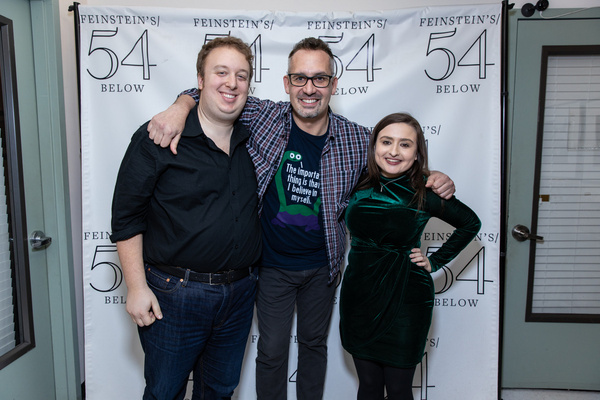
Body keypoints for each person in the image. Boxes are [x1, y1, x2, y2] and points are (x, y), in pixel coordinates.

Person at [147, 38, 455, 400]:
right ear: (286, 83)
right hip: (271, 266)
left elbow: (395, 161)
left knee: (314, 347)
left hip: (322, 268)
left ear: (333, 85)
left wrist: (434, 177)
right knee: (272, 351)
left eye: (320, 79)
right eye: (300, 78)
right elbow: (209, 92)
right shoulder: (261, 117)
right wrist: (179, 106)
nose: (309, 88)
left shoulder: (357, 139)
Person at [110, 37, 260, 400]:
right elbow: (126, 216)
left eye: (241, 75)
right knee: (165, 392)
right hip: (175, 295)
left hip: (240, 294)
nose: (232, 83)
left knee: (220, 391)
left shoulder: (254, 137)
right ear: (200, 80)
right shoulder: (159, 136)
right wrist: (136, 287)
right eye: (221, 72)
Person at [339, 113, 481, 400]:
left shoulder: (425, 190)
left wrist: (436, 261)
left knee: (399, 389)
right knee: (367, 386)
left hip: (406, 299)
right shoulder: (359, 181)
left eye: (405, 145)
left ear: (417, 153)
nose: (393, 151)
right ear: (374, 146)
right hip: (359, 297)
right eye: (386, 141)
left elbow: (470, 223)